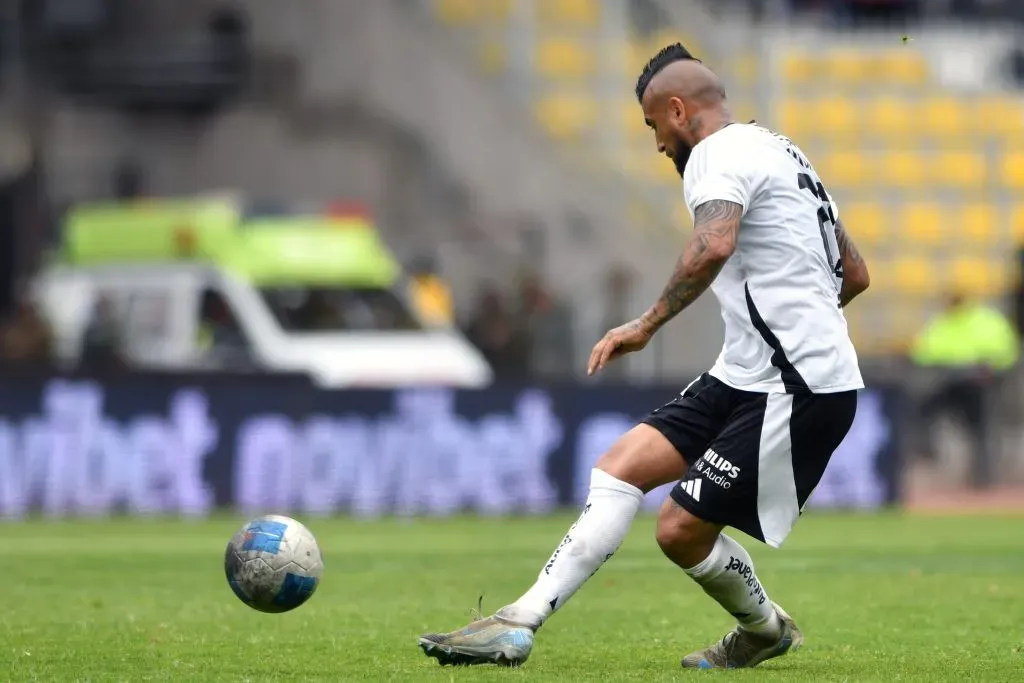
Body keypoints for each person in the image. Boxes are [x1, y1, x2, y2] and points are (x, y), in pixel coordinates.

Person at [418, 43, 870, 670]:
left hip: (796, 383)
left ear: (678, 110)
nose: (658, 144)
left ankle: (765, 629)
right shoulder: (781, 150)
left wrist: (647, 323)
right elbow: (855, 273)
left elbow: (714, 243)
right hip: (751, 371)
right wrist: (802, 318)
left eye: (654, 125)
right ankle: (517, 622)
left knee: (679, 529)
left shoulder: (714, 155)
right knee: (619, 467)